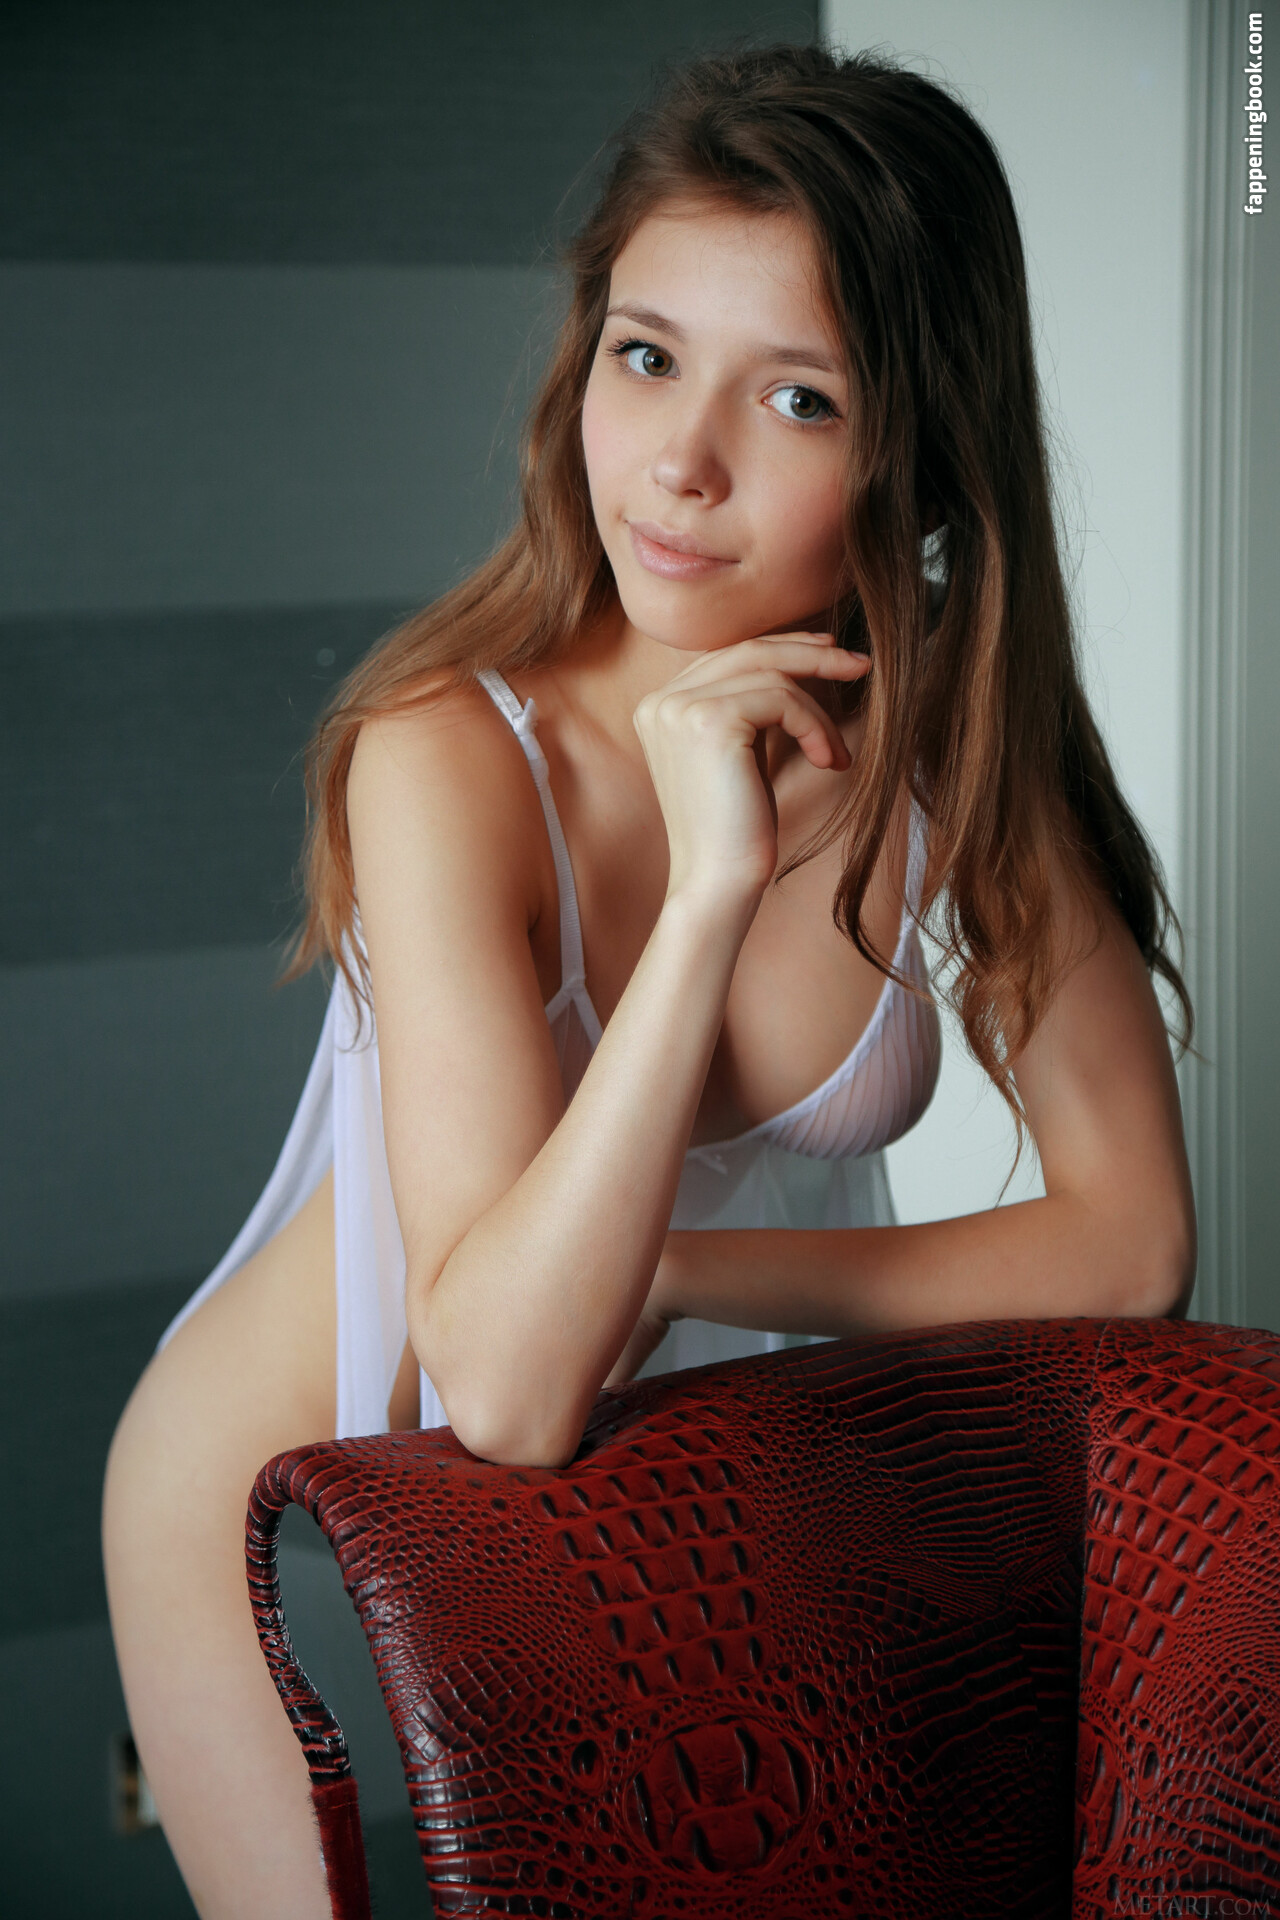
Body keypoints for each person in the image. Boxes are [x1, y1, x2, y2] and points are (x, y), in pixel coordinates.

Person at [102, 42, 1195, 1919]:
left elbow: (1132, 1242)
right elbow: (511, 1382)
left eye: (797, 396)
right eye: (645, 354)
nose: (682, 463)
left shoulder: (947, 738)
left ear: (922, 445)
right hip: (291, 1510)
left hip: (672, 1498)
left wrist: (680, 1268)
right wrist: (709, 895)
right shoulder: (449, 755)